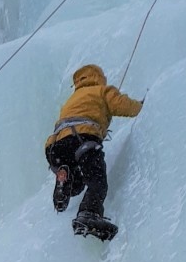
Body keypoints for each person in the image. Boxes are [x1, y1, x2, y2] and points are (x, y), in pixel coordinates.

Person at [44, 63, 143, 241]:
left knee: (77, 183)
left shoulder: (72, 99)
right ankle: (88, 213)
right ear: (98, 77)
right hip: (82, 138)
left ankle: (64, 176)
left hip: (57, 146)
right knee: (97, 181)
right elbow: (122, 105)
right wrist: (143, 105)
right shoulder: (101, 90)